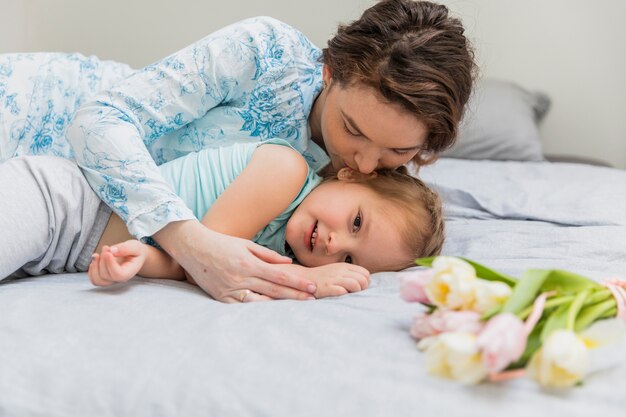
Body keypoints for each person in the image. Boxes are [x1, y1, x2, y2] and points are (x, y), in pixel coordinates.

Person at [0, 0, 475, 302]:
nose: (367, 165)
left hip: (68, 235)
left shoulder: (348, 207)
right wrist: (193, 244)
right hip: (37, 121)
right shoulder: (266, 53)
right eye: (352, 129)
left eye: (398, 150)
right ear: (330, 72)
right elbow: (98, 121)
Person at [0, 139, 445, 303]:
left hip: (60, 253)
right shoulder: (285, 172)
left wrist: (135, 260)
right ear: (351, 174)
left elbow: (183, 264)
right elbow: (206, 256)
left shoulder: (278, 248)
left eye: (349, 255)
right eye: (356, 221)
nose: (331, 244)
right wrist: (310, 283)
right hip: (59, 202)